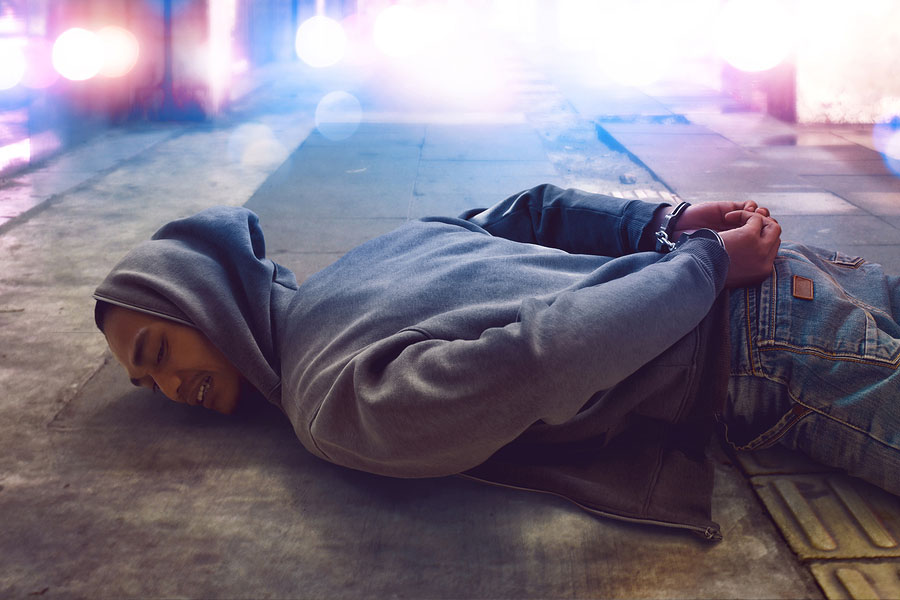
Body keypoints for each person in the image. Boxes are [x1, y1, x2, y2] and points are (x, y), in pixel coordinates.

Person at [93, 184, 900, 542]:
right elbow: (520, 212)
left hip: (767, 351)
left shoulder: (328, 399)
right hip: (805, 278)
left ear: (207, 297)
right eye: (146, 384)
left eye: (158, 350)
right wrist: (666, 221)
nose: (169, 386)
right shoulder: (371, 254)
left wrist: (699, 263)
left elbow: (546, 360)